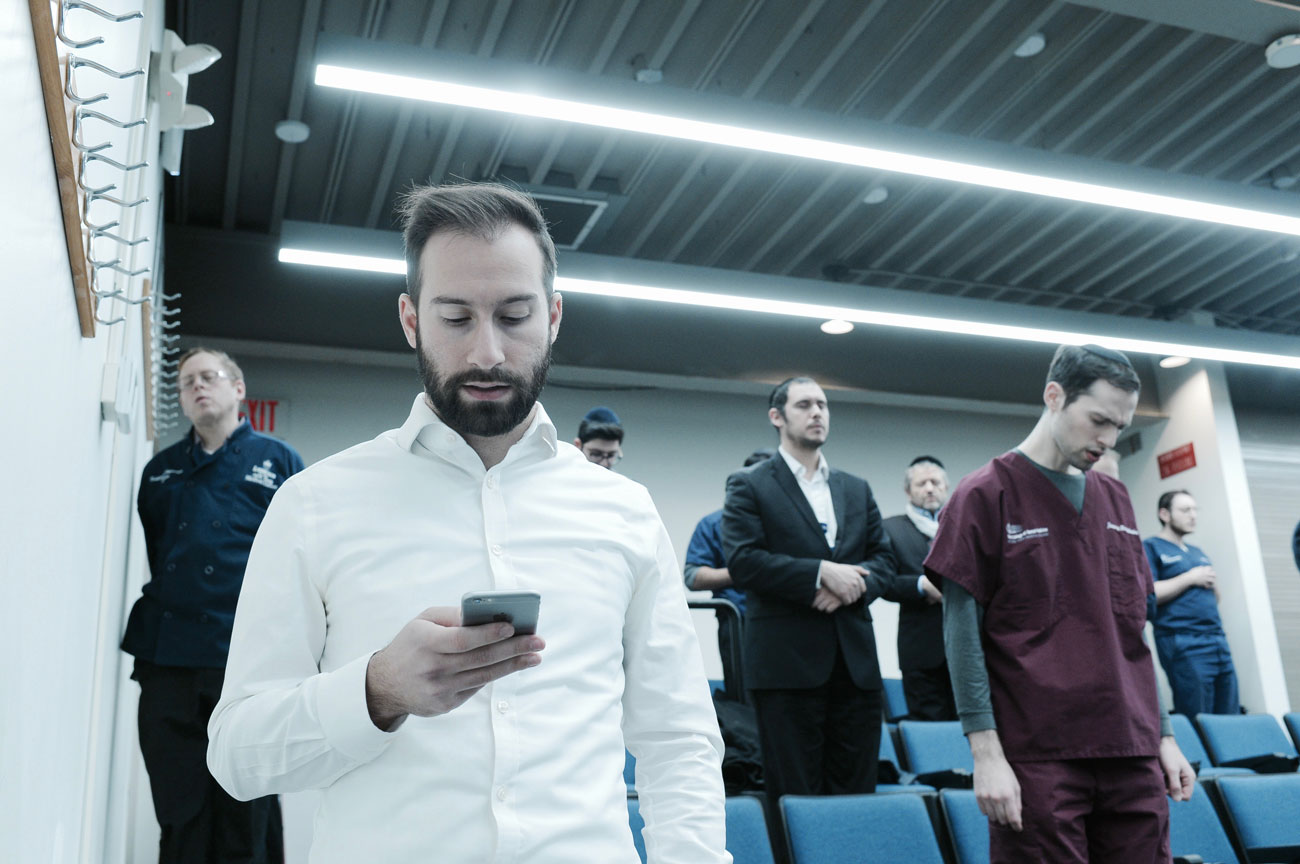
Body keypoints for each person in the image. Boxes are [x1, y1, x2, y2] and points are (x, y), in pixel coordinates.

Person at [206, 182, 727, 864]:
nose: (487, 352)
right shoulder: (314, 505)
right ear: (410, 319)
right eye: (456, 319)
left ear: (555, 316)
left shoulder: (623, 512)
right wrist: (376, 690)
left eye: (514, 316)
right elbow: (239, 757)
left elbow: (677, 738)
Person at [924, 344, 1193, 863]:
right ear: (1054, 396)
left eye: (1120, 426)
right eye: (1098, 420)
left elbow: (1133, 631)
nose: (1108, 439)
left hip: (1130, 751)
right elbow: (961, 637)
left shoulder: (1115, 499)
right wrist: (986, 755)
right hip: (1039, 757)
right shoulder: (983, 494)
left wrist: (1164, 735)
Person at [122, 347, 303, 863]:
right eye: (186, 383)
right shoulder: (160, 471)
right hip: (167, 663)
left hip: (245, 664)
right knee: (179, 810)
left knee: (246, 811)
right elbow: (161, 552)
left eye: (209, 377)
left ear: (237, 388)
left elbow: (300, 558)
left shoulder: (278, 462)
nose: (198, 387)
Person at [721, 377, 901, 810]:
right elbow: (743, 561)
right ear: (777, 417)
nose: (817, 412)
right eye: (805, 404)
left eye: (822, 404)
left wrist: (848, 589)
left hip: (854, 666)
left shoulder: (854, 487)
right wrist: (821, 573)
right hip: (786, 668)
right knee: (796, 800)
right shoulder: (750, 484)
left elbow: (886, 562)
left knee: (857, 799)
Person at [683, 448, 775, 690]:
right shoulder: (715, 524)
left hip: (788, 624)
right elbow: (693, 576)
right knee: (744, 703)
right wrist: (745, 570)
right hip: (739, 624)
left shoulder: (793, 524)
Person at [1144, 490, 1241, 716]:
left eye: (1195, 509)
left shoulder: (1197, 552)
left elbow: (1213, 597)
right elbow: (1149, 593)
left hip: (1217, 639)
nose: (1193, 515)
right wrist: (1190, 578)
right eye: (1185, 510)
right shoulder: (1151, 547)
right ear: (1164, 514)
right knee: (1198, 715)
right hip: (1182, 642)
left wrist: (1210, 586)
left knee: (1231, 714)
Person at [880, 456, 952, 721]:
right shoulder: (891, 529)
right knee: (930, 731)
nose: (930, 488)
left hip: (966, 649)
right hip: (921, 652)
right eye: (922, 483)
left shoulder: (962, 525)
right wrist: (922, 586)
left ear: (947, 487)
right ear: (908, 491)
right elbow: (883, 582)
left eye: (936, 482)